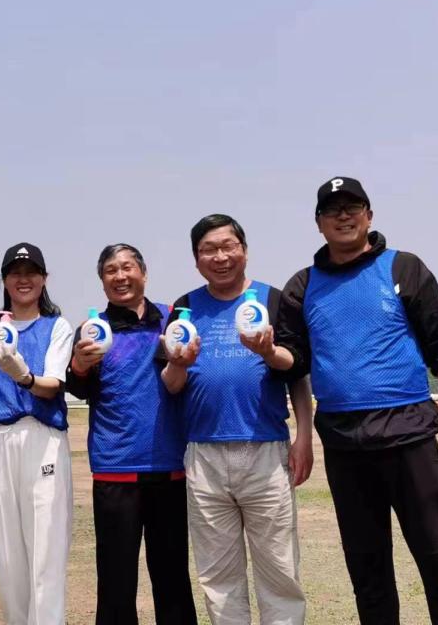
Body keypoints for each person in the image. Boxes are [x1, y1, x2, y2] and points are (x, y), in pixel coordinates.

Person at [247, 177, 438, 625]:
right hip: (346, 446)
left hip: (408, 436)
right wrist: (269, 352)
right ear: (318, 223)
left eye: (353, 207)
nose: (344, 216)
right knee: (368, 571)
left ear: (369, 215)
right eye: (332, 210)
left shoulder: (404, 268)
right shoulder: (302, 286)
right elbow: (295, 361)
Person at [160, 215, 312, 625]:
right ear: (196, 259)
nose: (220, 257)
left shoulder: (274, 300)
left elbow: (298, 369)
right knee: (217, 575)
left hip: (265, 450)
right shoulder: (184, 307)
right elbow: (171, 384)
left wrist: (303, 436)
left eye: (228, 246)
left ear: (244, 249)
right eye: (208, 249)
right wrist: (178, 363)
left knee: (279, 568)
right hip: (204, 455)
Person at [66, 244, 197, 625]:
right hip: (114, 469)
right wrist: (79, 364)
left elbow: (187, 380)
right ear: (102, 280)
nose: (120, 276)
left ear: (144, 272)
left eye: (127, 267)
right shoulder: (93, 330)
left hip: (169, 467)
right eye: (111, 270)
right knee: (116, 581)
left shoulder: (172, 320)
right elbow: (79, 388)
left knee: (172, 577)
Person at [0, 243, 74, 625]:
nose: (23, 280)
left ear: (44, 279)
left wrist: (23, 376)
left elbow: (52, 385)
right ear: (4, 280)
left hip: (41, 435)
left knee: (46, 547)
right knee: (7, 550)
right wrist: (2, 407)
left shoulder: (57, 326)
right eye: (15, 273)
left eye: (31, 273)